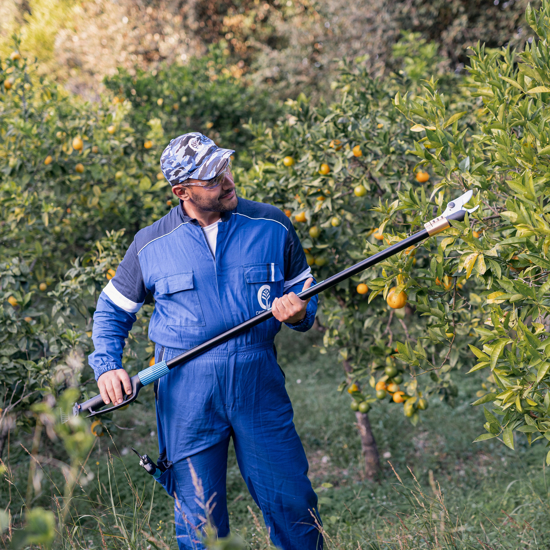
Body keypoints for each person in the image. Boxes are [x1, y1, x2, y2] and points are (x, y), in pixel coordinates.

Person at [89, 132, 323, 549]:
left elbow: (305, 293)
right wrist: (108, 365)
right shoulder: (150, 244)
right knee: (201, 521)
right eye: (212, 178)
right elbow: (112, 311)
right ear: (182, 191)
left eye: (225, 168)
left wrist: (302, 313)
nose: (227, 180)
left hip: (257, 382)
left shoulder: (272, 225)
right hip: (185, 391)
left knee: (292, 501)